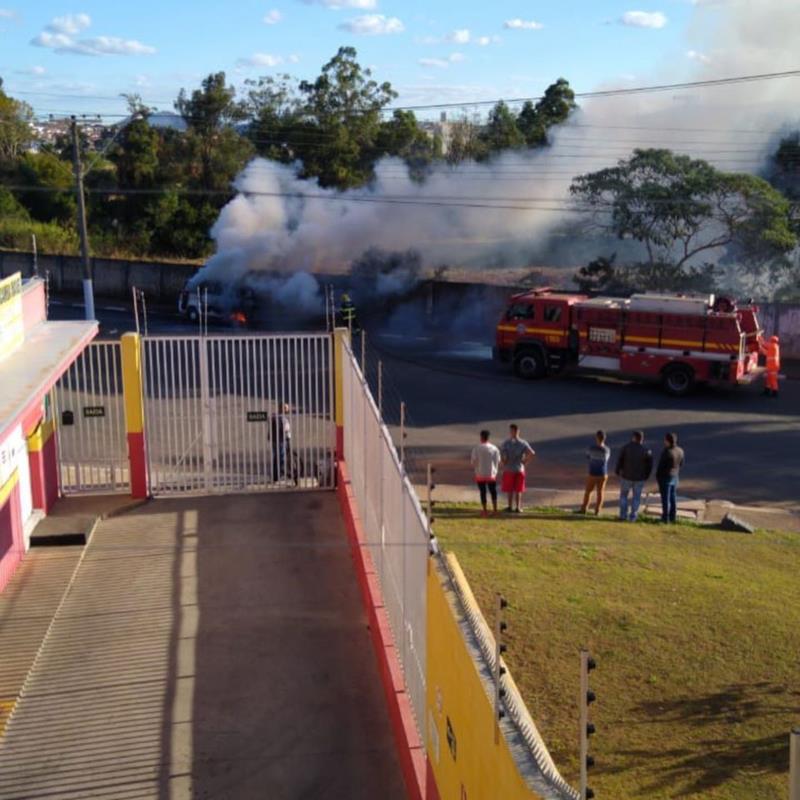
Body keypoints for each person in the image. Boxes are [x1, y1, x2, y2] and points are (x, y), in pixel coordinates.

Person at [615, 430, 653, 522]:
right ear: (642, 439)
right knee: (636, 497)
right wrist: (646, 475)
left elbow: (620, 460)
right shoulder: (646, 450)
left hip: (626, 476)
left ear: (634, 437)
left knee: (623, 496)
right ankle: (633, 516)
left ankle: (623, 515)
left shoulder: (626, 448)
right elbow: (649, 465)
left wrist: (618, 470)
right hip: (639, 478)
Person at [499, 424, 535, 513]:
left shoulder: (506, 443)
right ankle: (518, 507)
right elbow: (532, 453)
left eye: (511, 431)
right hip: (519, 468)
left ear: (512, 431)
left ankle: (510, 506)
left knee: (509, 489)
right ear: (518, 431)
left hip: (509, 469)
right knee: (518, 489)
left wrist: (503, 463)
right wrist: (525, 462)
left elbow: (504, 457)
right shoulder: (523, 443)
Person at [470, 430, 501, 517]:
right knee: (493, 491)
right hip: (491, 474)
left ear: (481, 437)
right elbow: (498, 461)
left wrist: (477, 467)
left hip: (480, 474)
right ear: (488, 437)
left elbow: (473, 462)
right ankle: (495, 510)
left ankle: (485, 510)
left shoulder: (477, 448)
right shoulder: (494, 448)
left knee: (482, 492)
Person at [579, 430, 611, 515]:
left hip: (593, 473)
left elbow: (588, 457)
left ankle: (584, 508)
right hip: (603, 473)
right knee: (600, 492)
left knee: (588, 491)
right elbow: (606, 460)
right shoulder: (607, 450)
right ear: (604, 439)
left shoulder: (591, 448)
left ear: (597, 438)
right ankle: (597, 510)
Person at [656, 432, 685, 523]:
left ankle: (665, 518)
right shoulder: (680, 450)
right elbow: (681, 464)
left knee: (665, 499)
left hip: (665, 478)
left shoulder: (667, 452)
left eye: (665, 440)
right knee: (673, 497)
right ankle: (673, 516)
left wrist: (658, 476)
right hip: (675, 476)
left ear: (668, 441)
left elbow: (661, 466)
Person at [271, 403, 293, 483]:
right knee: (281, 458)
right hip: (281, 440)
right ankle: (280, 475)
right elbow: (285, 430)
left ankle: (275, 477)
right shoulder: (282, 418)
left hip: (275, 440)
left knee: (276, 458)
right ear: (283, 409)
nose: (288, 409)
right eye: (286, 408)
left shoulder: (275, 417)